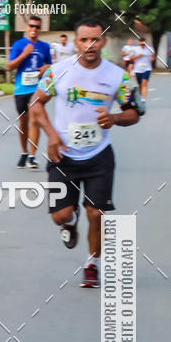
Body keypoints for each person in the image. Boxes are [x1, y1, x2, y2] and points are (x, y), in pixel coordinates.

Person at [29, 17, 140, 288]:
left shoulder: (118, 76)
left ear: (103, 41)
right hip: (63, 155)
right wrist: (52, 134)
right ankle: (71, 221)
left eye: (95, 39)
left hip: (99, 155)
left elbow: (134, 113)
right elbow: (36, 102)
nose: (90, 45)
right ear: (76, 41)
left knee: (96, 214)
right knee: (61, 216)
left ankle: (92, 264)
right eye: (84, 39)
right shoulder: (58, 71)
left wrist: (114, 119)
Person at [7, 15, 52, 169]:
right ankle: (24, 152)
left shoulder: (45, 47)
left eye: (37, 27)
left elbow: (50, 66)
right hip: (21, 88)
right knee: (23, 122)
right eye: (32, 26)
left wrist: (46, 68)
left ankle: (32, 156)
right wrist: (24, 54)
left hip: (36, 89)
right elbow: (9, 66)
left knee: (35, 119)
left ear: (40, 30)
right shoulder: (19, 44)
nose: (34, 29)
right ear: (27, 27)